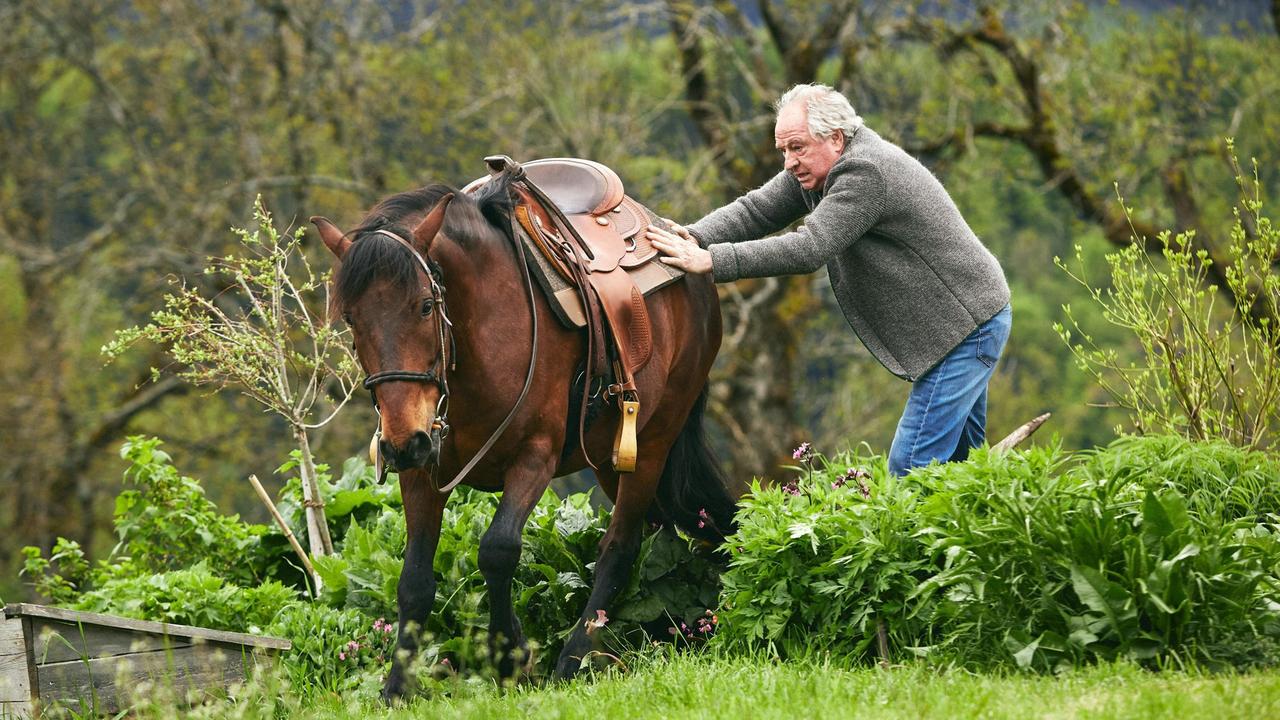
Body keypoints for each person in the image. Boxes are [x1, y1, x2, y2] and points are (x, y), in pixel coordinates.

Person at [648, 83, 1011, 476]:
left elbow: (809, 248)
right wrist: (693, 235)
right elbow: (755, 210)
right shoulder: (817, 171)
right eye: (783, 150)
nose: (789, 161)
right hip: (963, 323)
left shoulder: (864, 173)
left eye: (797, 147)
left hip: (966, 329)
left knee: (910, 467)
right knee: (964, 470)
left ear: (835, 138)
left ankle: (901, 539)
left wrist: (710, 260)